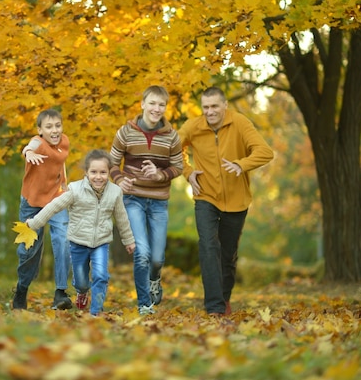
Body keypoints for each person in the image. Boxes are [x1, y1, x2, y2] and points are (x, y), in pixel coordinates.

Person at [177, 86, 273, 316]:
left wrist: (242, 164)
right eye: (206, 107)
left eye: (214, 107)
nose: (209, 112)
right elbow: (173, 150)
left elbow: (265, 151)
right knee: (209, 247)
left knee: (228, 254)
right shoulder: (193, 126)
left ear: (225, 105)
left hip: (237, 200)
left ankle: (224, 298)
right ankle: (214, 308)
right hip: (205, 196)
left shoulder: (240, 123)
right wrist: (188, 172)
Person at [25, 149, 136, 316]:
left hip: (101, 243)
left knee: (101, 275)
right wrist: (35, 223)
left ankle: (95, 311)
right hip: (78, 242)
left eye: (103, 172)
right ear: (86, 172)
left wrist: (129, 240)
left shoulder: (115, 192)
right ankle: (82, 291)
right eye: (94, 172)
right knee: (82, 281)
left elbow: (122, 218)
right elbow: (53, 207)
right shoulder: (75, 190)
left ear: (109, 173)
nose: (98, 176)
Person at [110, 85, 183, 315]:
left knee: (158, 257)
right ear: (142, 104)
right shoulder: (125, 132)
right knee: (142, 252)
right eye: (152, 103)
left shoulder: (171, 136)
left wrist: (160, 174)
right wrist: (119, 179)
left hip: (159, 202)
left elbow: (179, 166)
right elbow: (111, 163)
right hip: (133, 199)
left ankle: (155, 278)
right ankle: (144, 304)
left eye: (161, 105)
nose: (156, 108)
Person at [12, 109, 72, 311]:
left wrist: (65, 187)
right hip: (31, 202)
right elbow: (29, 147)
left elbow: (60, 166)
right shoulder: (37, 143)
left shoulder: (64, 142)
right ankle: (22, 288)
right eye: (48, 127)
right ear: (40, 130)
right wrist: (29, 153)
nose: (54, 130)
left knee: (63, 240)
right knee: (29, 250)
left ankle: (61, 293)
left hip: (56, 199)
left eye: (57, 125)